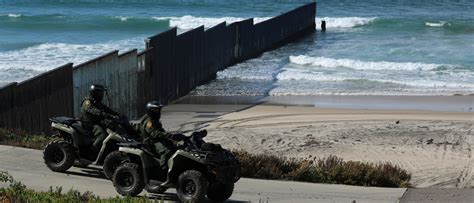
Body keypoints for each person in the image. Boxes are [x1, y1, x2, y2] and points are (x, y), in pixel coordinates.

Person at [137, 101, 184, 174]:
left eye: (158, 110)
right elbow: (154, 133)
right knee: (166, 151)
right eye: (156, 110)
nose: (158, 112)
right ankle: (162, 169)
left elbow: (160, 131)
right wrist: (167, 135)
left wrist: (170, 136)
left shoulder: (154, 120)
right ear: (150, 110)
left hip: (157, 139)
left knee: (176, 146)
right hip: (151, 142)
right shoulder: (149, 122)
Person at [80, 84, 120, 152]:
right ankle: (92, 151)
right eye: (100, 93)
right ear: (95, 93)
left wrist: (117, 114)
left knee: (112, 128)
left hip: (97, 123)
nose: (101, 95)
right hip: (89, 125)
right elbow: (93, 111)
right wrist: (105, 115)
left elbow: (106, 109)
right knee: (102, 134)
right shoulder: (87, 102)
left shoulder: (97, 102)